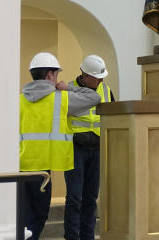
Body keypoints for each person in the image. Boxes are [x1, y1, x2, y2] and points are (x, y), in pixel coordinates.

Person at [20, 52, 101, 240]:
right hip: (42, 173)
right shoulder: (61, 99)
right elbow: (93, 97)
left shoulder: (19, 101)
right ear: (50, 75)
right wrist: (66, 89)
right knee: (37, 218)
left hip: (19, 169)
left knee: (22, 220)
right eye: (56, 74)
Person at [64, 54, 114, 240]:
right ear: (84, 75)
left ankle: (87, 237)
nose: (101, 80)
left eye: (102, 77)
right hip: (75, 149)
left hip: (97, 150)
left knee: (91, 199)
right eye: (97, 77)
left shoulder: (106, 90)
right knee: (74, 198)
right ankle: (71, 237)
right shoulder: (69, 90)